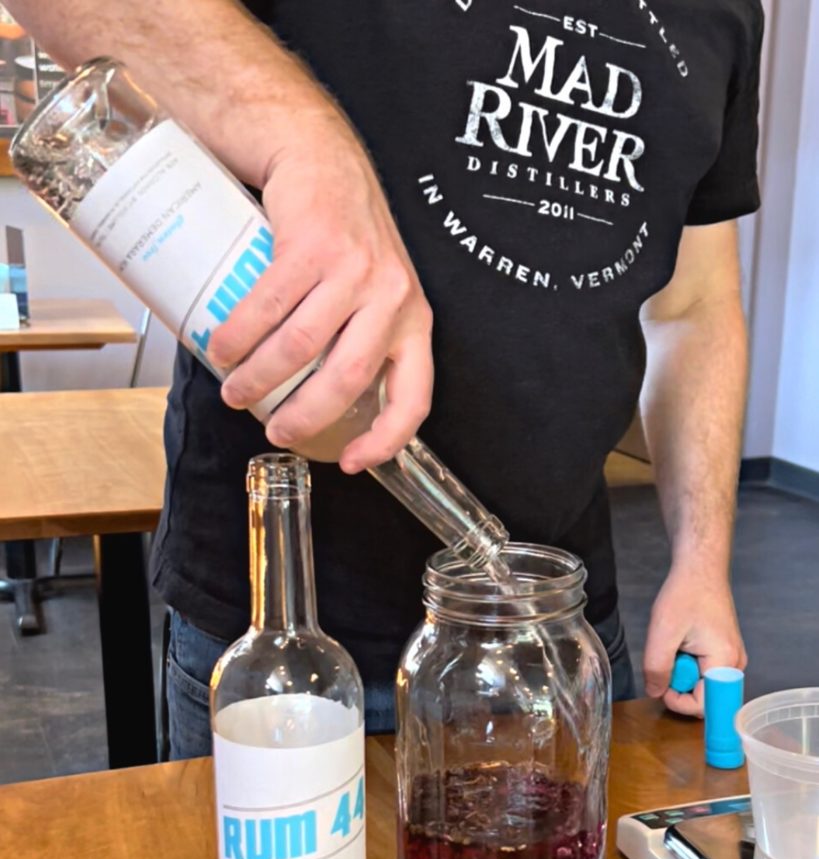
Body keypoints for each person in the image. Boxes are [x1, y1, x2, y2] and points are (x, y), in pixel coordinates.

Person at [9, 0, 761, 755]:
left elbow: (693, 305)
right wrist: (307, 141)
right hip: (285, 646)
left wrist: (701, 561)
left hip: (557, 634)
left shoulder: (727, 14)